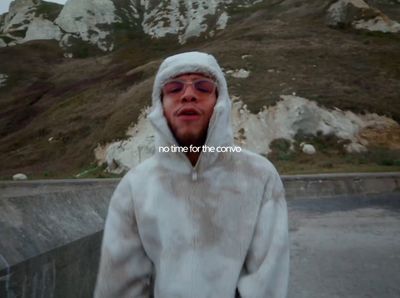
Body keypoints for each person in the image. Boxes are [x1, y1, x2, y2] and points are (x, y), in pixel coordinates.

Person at [94, 51, 290, 298]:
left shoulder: (259, 176)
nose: (188, 94)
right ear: (160, 106)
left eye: (203, 86)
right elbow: (119, 285)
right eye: (174, 88)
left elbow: (266, 281)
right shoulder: (135, 186)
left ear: (220, 101)